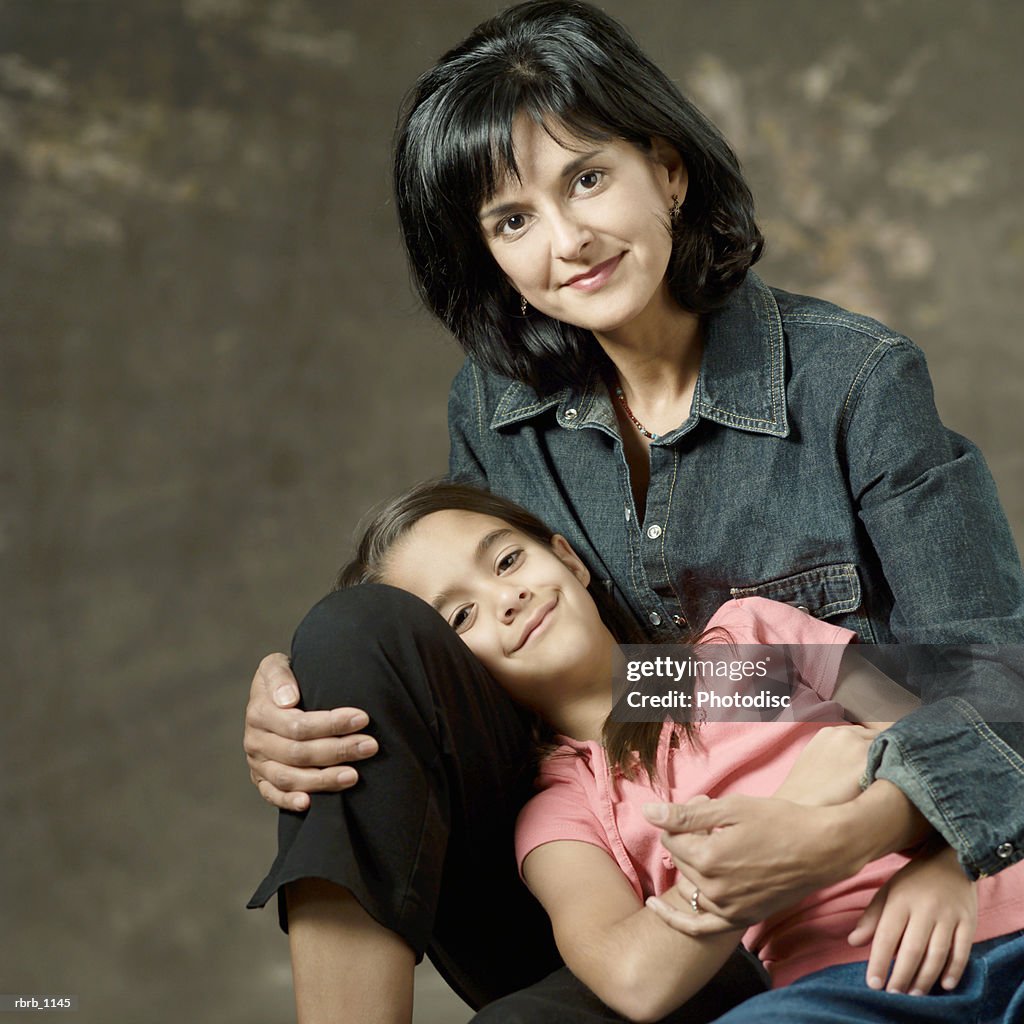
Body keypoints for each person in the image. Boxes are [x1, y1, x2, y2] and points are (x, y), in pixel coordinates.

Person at [243, 0, 1024, 1018]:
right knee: (351, 634)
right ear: (486, 256)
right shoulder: (495, 408)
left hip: (833, 887)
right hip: (618, 878)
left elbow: (992, 674)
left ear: (667, 168)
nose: (566, 241)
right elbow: (460, 645)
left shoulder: (852, 382)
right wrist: (305, 699)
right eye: (512, 220)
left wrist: (907, 835)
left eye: (587, 178)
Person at [321, 479, 1024, 1023]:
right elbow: (633, 978)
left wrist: (947, 861)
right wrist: (788, 820)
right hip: (857, 987)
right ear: (455, 676)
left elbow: (945, 737)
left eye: (507, 560)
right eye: (462, 616)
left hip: (1003, 904)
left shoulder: (732, 653)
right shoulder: (565, 803)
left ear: (566, 557)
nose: (507, 598)